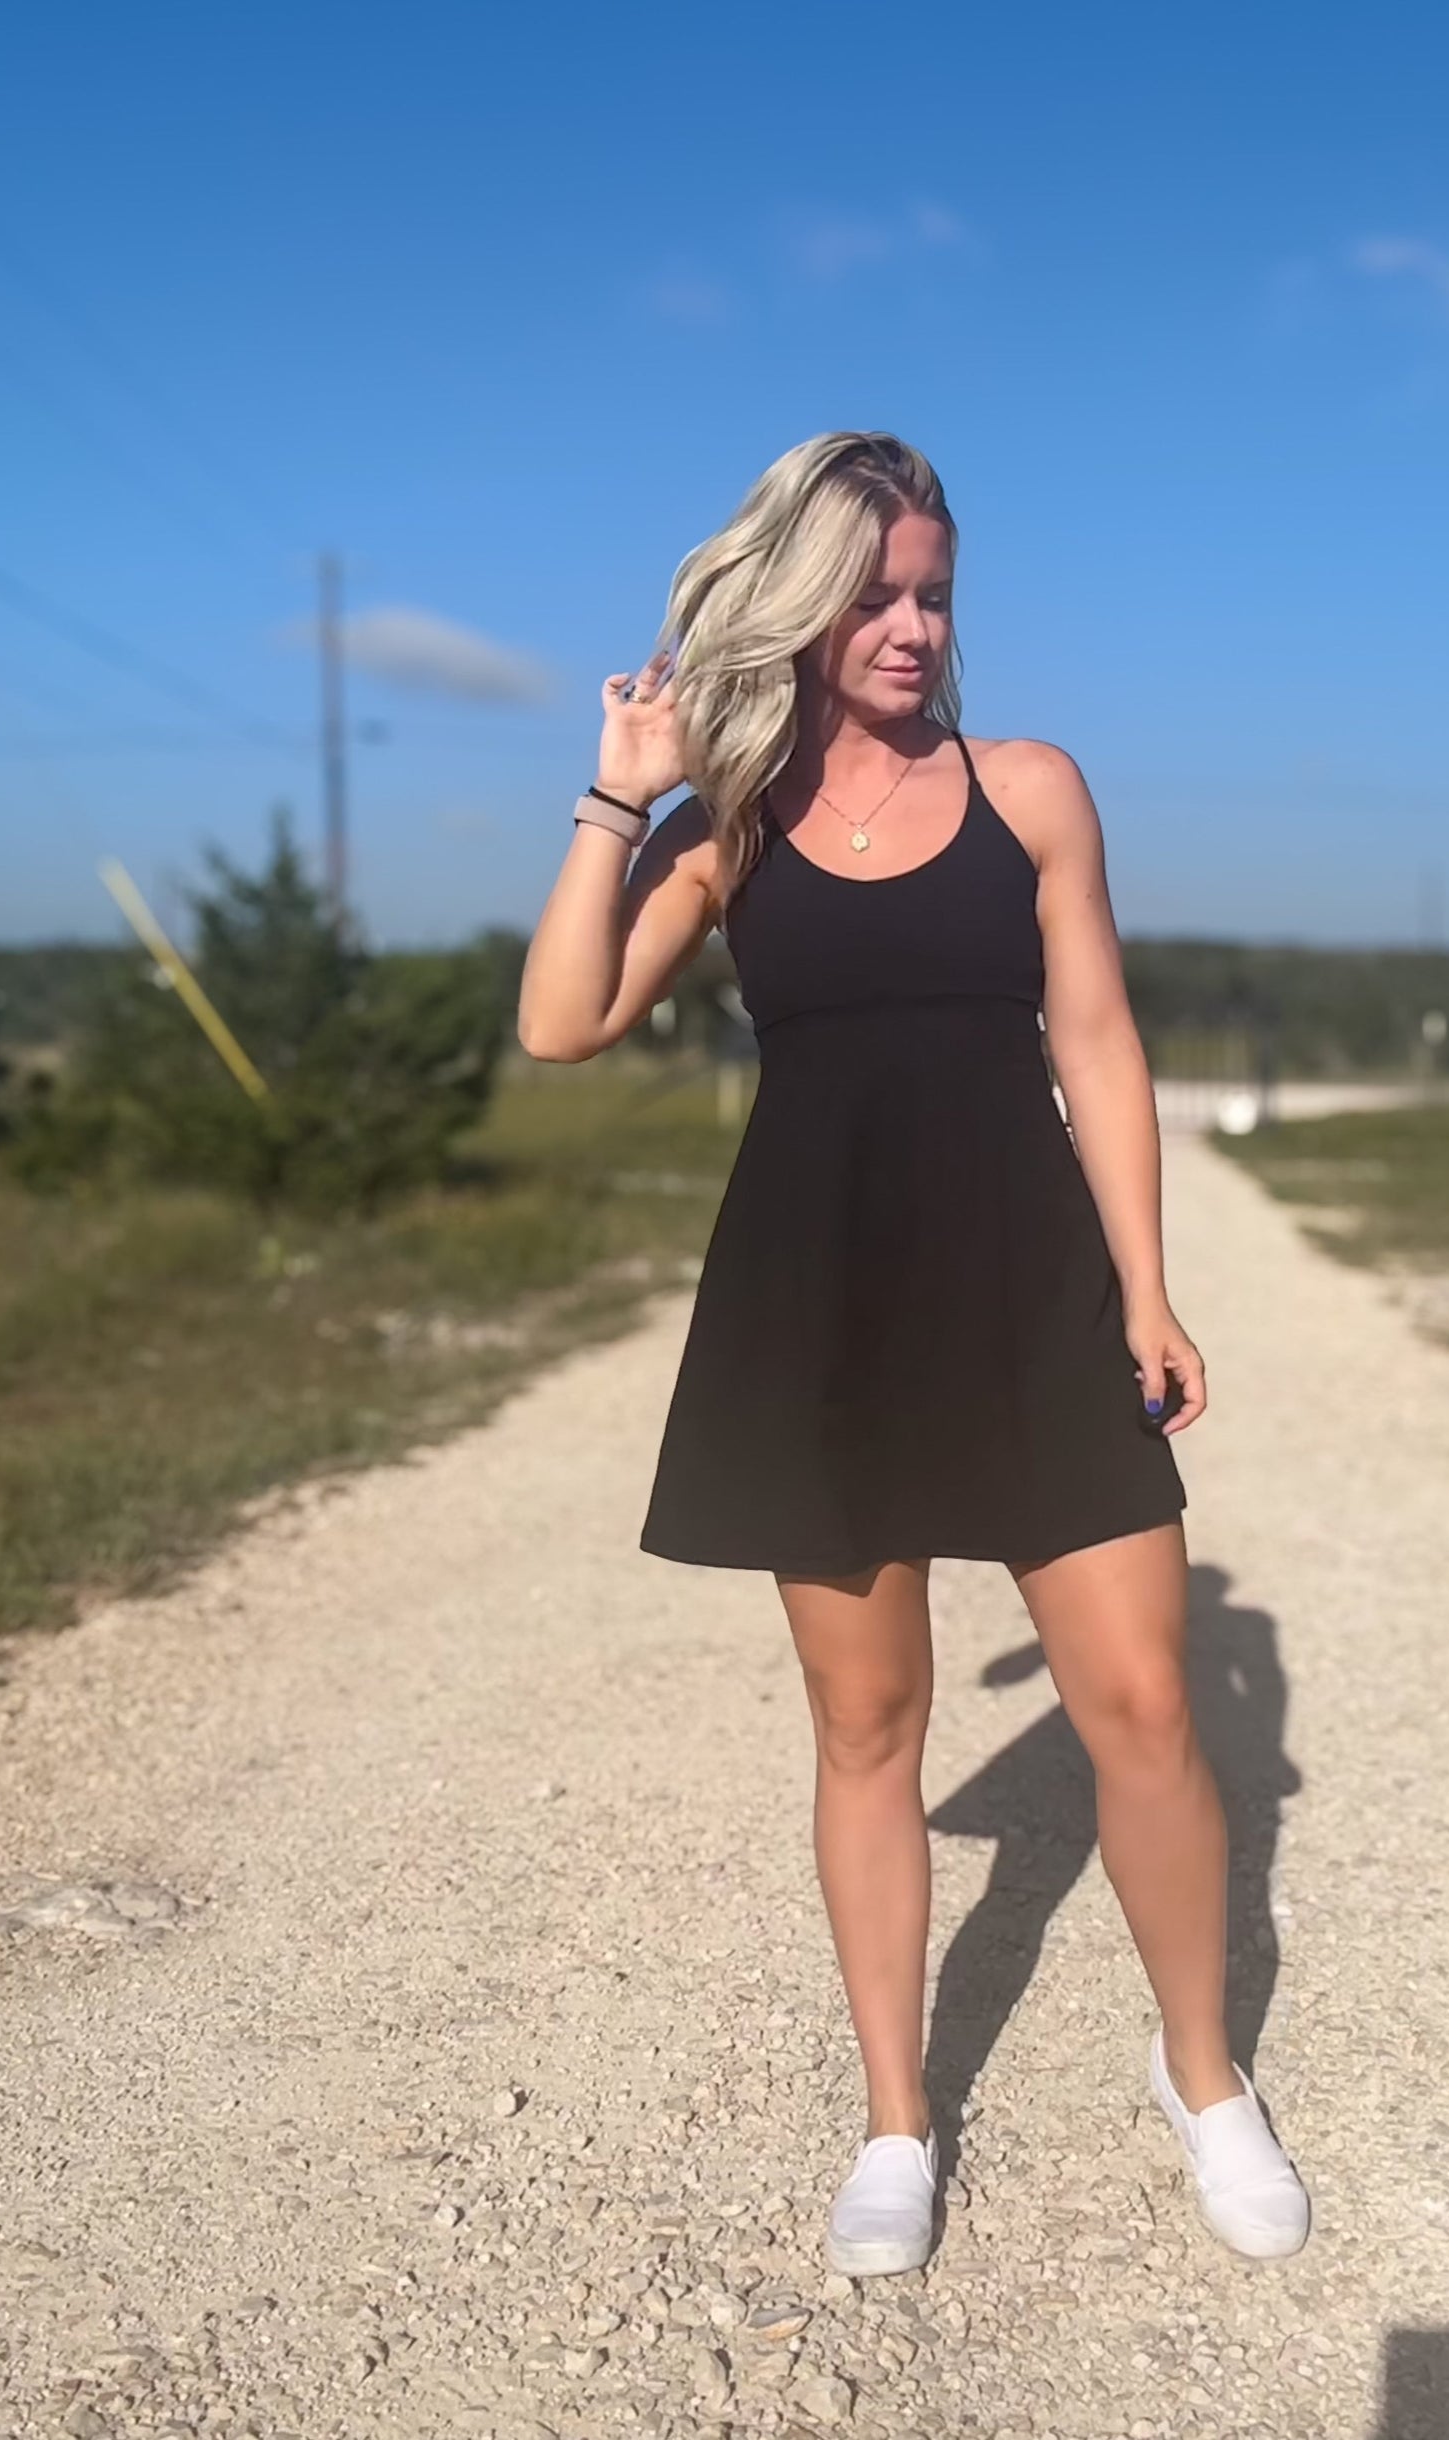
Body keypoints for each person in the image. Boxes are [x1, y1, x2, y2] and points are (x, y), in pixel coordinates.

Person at [517, 431, 1308, 2273]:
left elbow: (1099, 1044)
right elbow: (564, 1025)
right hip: (821, 1309)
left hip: (1033, 1289)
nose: (908, 624)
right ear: (796, 607)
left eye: (931, 590)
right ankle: (896, 2121)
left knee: (1145, 1702)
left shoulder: (1029, 788)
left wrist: (1148, 1290)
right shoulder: (727, 828)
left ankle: (1202, 2077)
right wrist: (617, 794)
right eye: (870, 592)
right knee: (869, 1724)